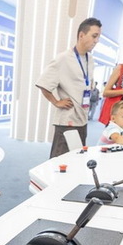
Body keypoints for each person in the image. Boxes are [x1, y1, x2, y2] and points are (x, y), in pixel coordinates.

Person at [35, 17, 102, 158]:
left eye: (98, 37)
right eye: (94, 36)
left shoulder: (90, 59)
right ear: (81, 35)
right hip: (67, 121)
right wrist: (56, 102)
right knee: (59, 160)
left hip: (82, 120)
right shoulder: (63, 58)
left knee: (77, 158)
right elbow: (43, 83)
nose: (96, 41)